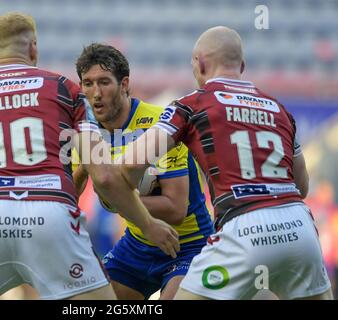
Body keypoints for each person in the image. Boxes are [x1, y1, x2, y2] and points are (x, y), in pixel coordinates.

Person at [0, 12, 179, 300]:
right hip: (52, 216)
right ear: (33, 48)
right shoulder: (65, 89)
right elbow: (103, 175)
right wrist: (148, 224)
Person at [120, 26, 333, 300]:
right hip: (300, 228)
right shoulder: (280, 109)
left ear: (200, 63)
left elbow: (130, 164)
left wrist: (140, 186)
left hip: (244, 227)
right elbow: (302, 186)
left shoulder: (191, 105)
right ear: (242, 66)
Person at [74, 43, 214, 299]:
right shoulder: (86, 134)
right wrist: (83, 169)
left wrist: (117, 200)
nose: (96, 93)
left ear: (124, 84)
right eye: (88, 83)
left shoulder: (162, 125)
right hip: (137, 245)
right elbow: (68, 198)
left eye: (104, 82)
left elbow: (175, 209)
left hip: (188, 244)